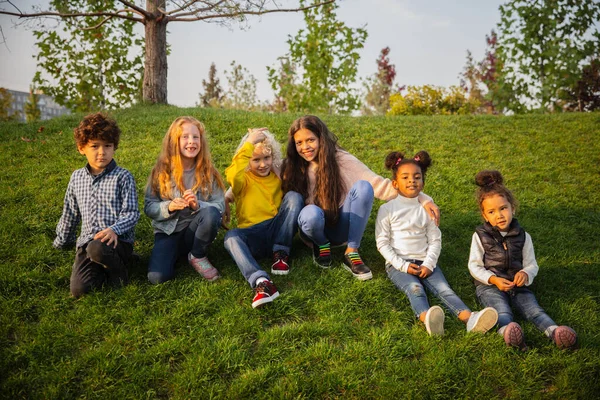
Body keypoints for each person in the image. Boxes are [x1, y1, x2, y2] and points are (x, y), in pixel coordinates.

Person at [281, 115, 440, 281]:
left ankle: (352, 251)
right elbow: (262, 170)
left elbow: (378, 184)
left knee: (364, 187)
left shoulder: (340, 159)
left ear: (321, 138)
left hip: (340, 225)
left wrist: (423, 198)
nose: (305, 147)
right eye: (299, 142)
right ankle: (322, 246)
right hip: (312, 229)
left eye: (310, 140)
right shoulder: (291, 166)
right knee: (311, 213)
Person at [375, 151, 498, 336]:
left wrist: (429, 264)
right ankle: (428, 319)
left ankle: (470, 319)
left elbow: (435, 239)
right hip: (398, 265)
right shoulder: (387, 210)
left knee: (445, 290)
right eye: (405, 177)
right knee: (414, 289)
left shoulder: (427, 209)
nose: (412, 181)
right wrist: (403, 265)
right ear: (395, 183)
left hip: (425, 261)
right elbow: (382, 243)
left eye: (417, 177)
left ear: (423, 183)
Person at [468, 170, 577, 349]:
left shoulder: (523, 236)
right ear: (485, 216)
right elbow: (474, 265)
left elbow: (531, 264)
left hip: (518, 285)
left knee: (534, 310)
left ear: (513, 208)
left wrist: (525, 274)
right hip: (490, 285)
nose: (499, 215)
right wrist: (493, 279)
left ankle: (554, 331)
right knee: (501, 310)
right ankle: (508, 331)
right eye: (492, 212)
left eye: (503, 208)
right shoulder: (480, 236)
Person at [54, 112, 140, 298]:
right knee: (80, 290)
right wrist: (62, 241)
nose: (102, 152)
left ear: (114, 147)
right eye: (95, 146)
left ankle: (119, 270)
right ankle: (105, 267)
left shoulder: (123, 177)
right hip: (87, 243)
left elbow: (132, 213)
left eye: (107, 146)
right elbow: (70, 212)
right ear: (81, 148)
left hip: (117, 241)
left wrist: (114, 230)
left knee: (98, 247)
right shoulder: (76, 178)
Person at [223, 128, 303, 308]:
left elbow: (294, 194)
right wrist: (249, 143)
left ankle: (281, 254)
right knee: (231, 237)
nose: (262, 164)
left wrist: (279, 172)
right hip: (253, 235)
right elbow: (232, 175)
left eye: (266, 158)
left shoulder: (276, 176)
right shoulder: (243, 180)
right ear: (248, 159)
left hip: (277, 230)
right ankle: (261, 281)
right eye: (256, 160)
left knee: (294, 197)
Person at [144, 116, 225, 284]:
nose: (191, 141)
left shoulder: (208, 172)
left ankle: (197, 255)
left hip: (194, 232)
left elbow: (220, 206)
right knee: (157, 278)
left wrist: (198, 205)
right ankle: (177, 254)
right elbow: (149, 207)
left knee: (211, 212)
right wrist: (170, 206)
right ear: (174, 141)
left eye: (196, 137)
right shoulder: (161, 171)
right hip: (168, 233)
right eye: (185, 137)